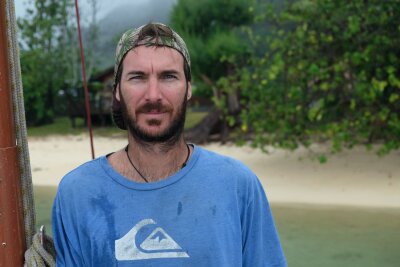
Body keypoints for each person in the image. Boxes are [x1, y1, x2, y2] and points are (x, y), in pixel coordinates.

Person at [52, 22, 287, 267]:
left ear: (188, 89)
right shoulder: (77, 194)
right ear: (118, 91)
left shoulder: (238, 185)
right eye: (138, 77)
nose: (153, 95)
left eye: (168, 77)